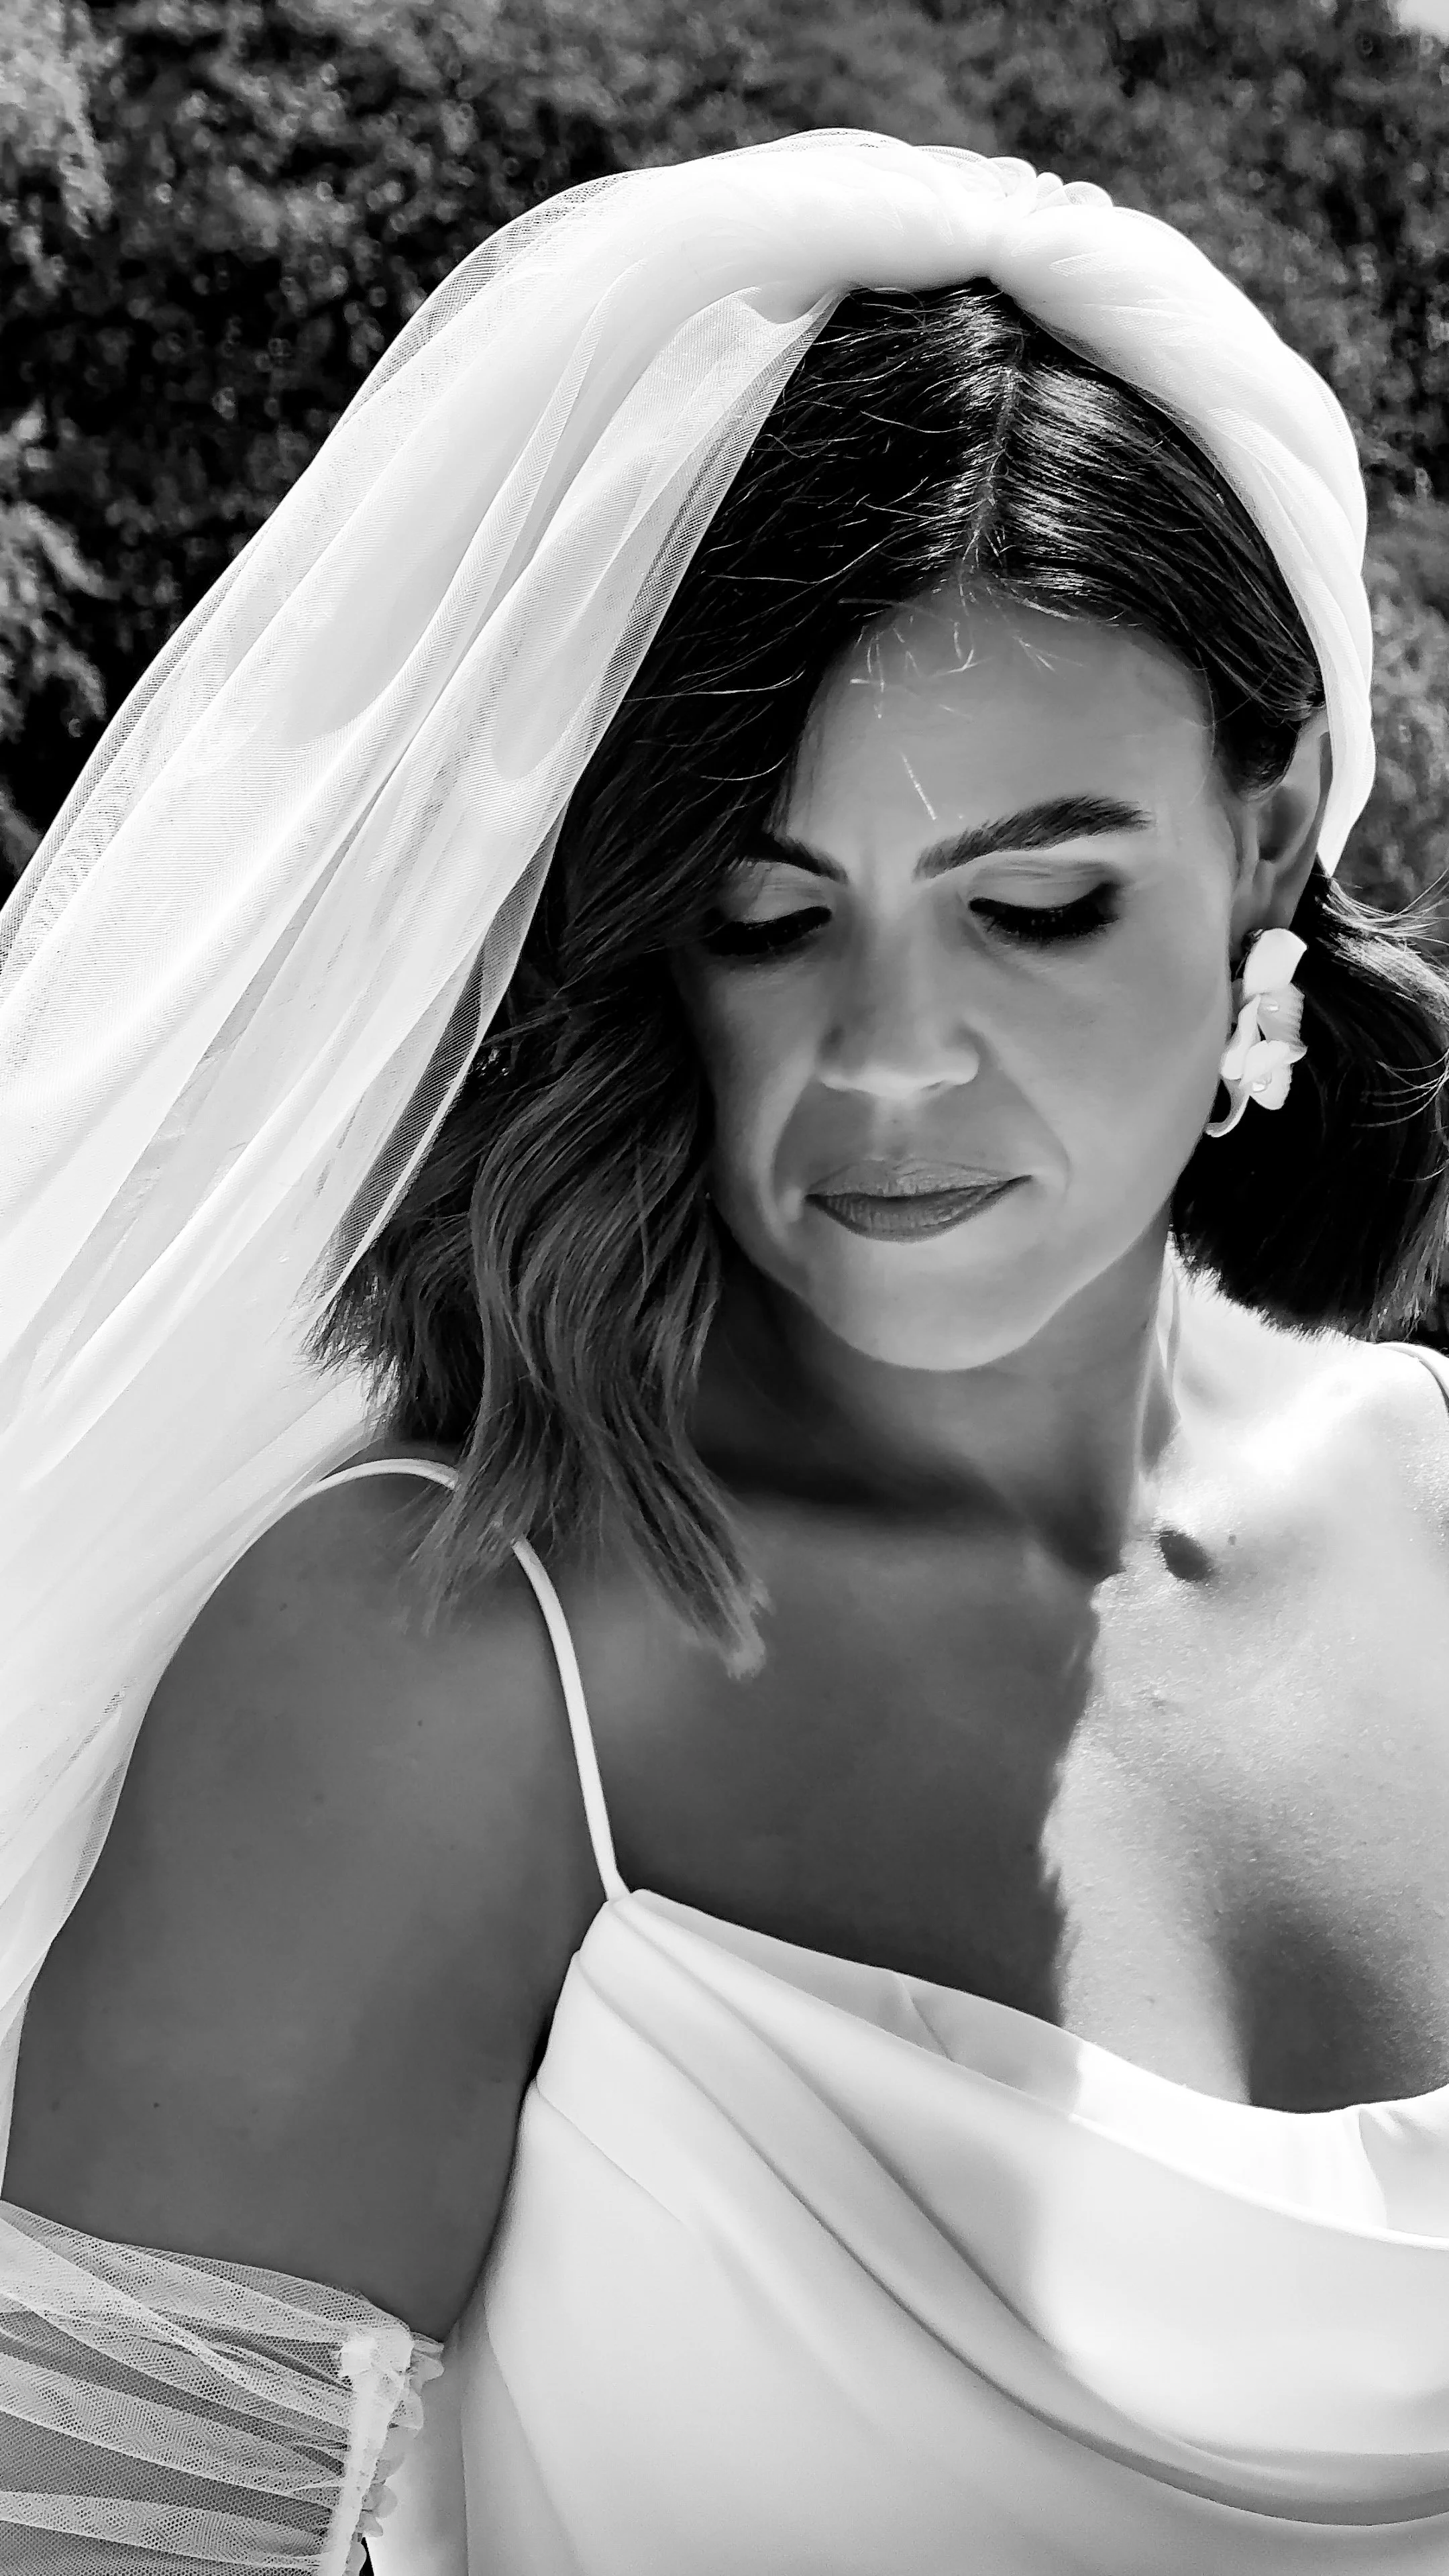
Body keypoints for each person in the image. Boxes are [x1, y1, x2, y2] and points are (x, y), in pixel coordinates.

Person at [1, 132, 1447, 2575]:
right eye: (775, 919)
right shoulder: (433, 1684)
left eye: (1041, 904)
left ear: (1273, 824)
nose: (891, 1058)